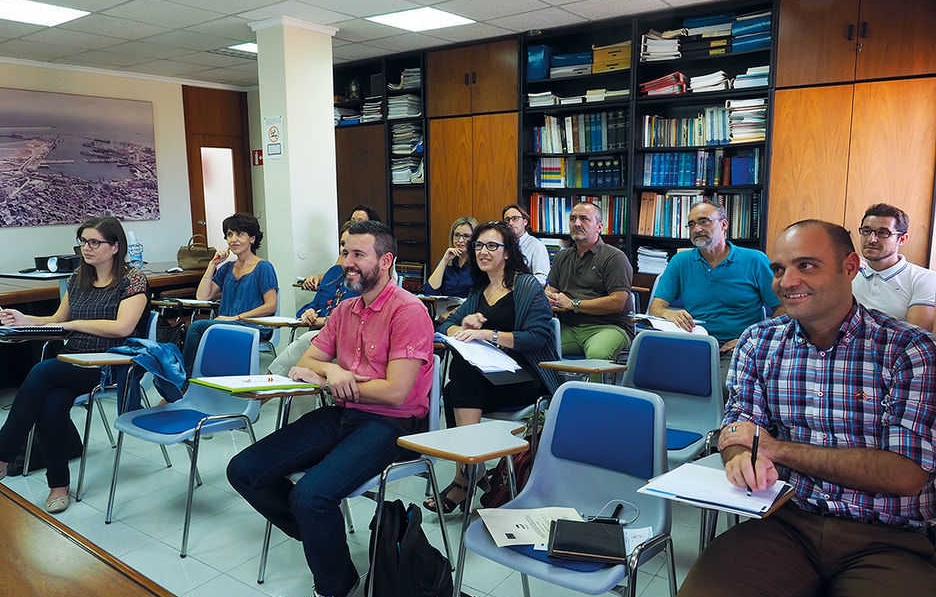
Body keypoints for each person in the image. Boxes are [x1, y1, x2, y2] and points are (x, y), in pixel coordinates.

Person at [678, 220, 936, 597]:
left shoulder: (908, 349)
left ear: (850, 267)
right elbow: (738, 427)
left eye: (807, 265)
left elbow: (904, 473)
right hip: (782, 521)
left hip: (887, 537)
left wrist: (775, 449)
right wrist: (738, 455)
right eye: (778, 269)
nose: (787, 281)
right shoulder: (758, 341)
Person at [227, 221, 434, 597]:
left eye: (358, 254)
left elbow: (395, 392)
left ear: (385, 261)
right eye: (344, 252)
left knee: (310, 497)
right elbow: (307, 360)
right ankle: (320, 533)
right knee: (243, 470)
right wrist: (334, 370)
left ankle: (337, 586)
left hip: (395, 425)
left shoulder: (408, 311)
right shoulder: (345, 310)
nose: (347, 262)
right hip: (346, 413)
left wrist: (325, 379)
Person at [0, 216, 149, 514]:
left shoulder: (133, 280)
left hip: (110, 364)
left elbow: (123, 327)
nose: (86, 248)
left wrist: (76, 324)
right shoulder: (79, 277)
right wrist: (25, 320)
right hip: (73, 361)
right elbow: (57, 320)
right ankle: (59, 486)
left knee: (42, 371)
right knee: (51, 405)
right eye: (83, 242)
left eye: (94, 242)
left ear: (115, 246)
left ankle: (3, 453)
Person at [425, 221, 559, 514]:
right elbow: (446, 325)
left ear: (507, 252)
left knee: (461, 381)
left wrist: (490, 335)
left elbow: (538, 336)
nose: (482, 252)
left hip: (526, 378)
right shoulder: (480, 289)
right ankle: (469, 471)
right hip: (488, 378)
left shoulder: (526, 286)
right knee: (457, 384)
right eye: (478, 246)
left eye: (491, 246)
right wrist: (463, 326)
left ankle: (466, 477)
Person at [648, 201, 782, 381]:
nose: (697, 229)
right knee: (655, 378)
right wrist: (669, 313)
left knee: (725, 386)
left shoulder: (755, 260)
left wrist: (753, 339)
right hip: (694, 343)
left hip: (738, 346)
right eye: (691, 224)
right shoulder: (680, 261)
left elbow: (783, 310)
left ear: (724, 224)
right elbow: (655, 308)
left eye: (704, 221)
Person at [182, 213, 278, 375]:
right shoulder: (227, 268)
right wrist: (212, 264)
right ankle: (191, 378)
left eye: (240, 234)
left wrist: (236, 318)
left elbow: (271, 305)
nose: (234, 239)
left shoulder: (263, 267)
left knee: (197, 327)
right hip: (225, 323)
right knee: (197, 328)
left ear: (252, 239)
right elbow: (203, 297)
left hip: (251, 325)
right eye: (229, 234)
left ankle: (184, 379)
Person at [545, 201, 634, 361]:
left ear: (599, 227)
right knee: (534, 346)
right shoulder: (562, 256)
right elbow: (551, 289)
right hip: (569, 326)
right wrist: (549, 297)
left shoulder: (614, 257)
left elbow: (618, 302)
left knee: (597, 354)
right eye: (572, 219)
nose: (577, 224)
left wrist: (573, 304)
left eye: (584, 219)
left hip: (608, 327)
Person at [268, 222, 359, 377]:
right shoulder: (333, 273)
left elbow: (354, 318)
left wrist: (322, 321)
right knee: (308, 343)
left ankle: (268, 384)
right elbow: (313, 305)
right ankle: (268, 385)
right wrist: (308, 313)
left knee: (306, 340)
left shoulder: (364, 278)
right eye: (342, 244)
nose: (344, 249)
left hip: (345, 339)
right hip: (322, 336)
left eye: (351, 245)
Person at [851, 203, 936, 331]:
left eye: (883, 233)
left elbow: (916, 337)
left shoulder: (924, 279)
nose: (871, 239)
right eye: (866, 231)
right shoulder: (849, 272)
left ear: (902, 239)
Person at [301, 207, 380, 291]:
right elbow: (335, 275)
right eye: (352, 220)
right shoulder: (344, 254)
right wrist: (317, 278)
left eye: (360, 221)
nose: (354, 224)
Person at [423, 216, 477, 299]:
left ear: (475, 239)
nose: (460, 240)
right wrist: (445, 260)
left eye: (466, 236)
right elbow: (429, 292)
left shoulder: (480, 263)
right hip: (447, 306)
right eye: (457, 235)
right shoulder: (448, 260)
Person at [502, 204, 550, 285]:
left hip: (524, 289)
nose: (510, 223)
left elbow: (542, 279)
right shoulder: (502, 244)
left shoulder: (536, 245)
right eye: (507, 220)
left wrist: (518, 285)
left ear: (525, 221)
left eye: (515, 218)